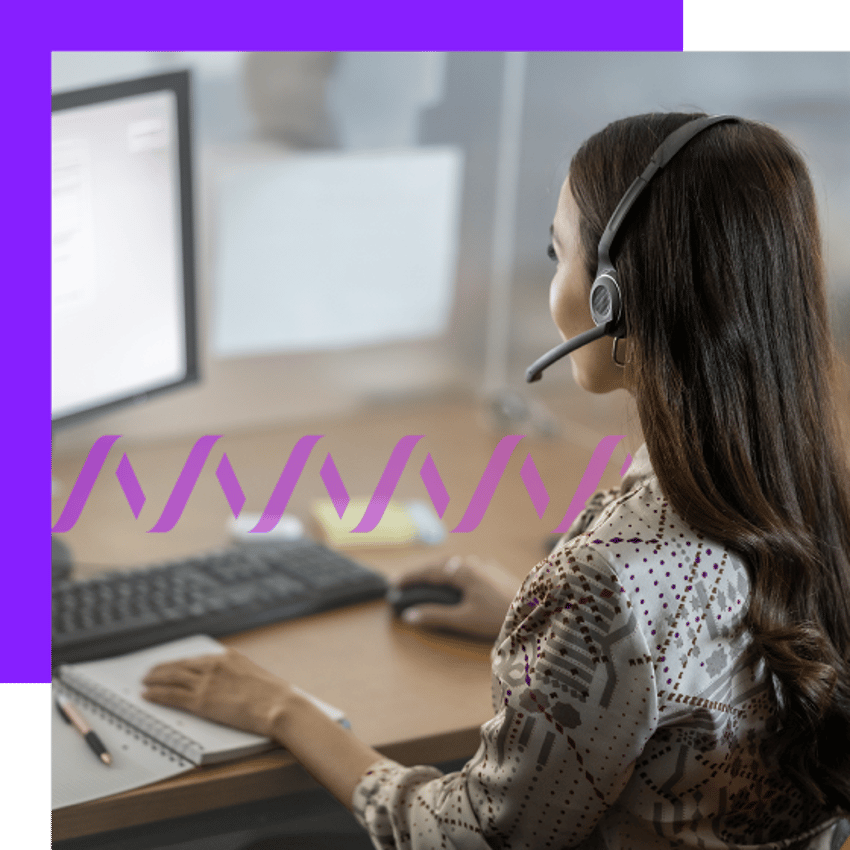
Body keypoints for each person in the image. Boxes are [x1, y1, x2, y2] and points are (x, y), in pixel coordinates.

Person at [141, 113, 850, 849]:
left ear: (613, 297)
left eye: (557, 251)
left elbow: (471, 837)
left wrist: (285, 710)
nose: (552, 279)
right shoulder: (810, 495)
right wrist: (554, 642)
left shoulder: (610, 575)